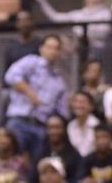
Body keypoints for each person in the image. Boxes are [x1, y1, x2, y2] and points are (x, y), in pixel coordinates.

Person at [5, 35, 70, 163]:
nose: (52, 51)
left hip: (41, 127)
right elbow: (11, 76)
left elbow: (62, 112)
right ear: (41, 49)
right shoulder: (31, 62)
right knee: (14, 161)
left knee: (38, 164)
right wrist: (30, 93)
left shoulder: (59, 81)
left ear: (59, 53)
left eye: (56, 48)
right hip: (20, 121)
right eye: (49, 47)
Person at [32, 0, 111, 60]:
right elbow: (55, 17)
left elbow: (103, 34)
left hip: (97, 53)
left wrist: (80, 34)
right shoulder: (79, 14)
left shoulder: (105, 14)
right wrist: (41, 0)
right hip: (78, 53)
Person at [31, 115, 81, 183]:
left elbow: (77, 180)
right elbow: (32, 179)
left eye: (57, 127)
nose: (53, 131)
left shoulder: (73, 155)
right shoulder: (40, 153)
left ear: (64, 129)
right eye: (50, 128)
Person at [67, 91, 100, 158]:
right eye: (76, 101)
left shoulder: (97, 125)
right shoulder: (70, 126)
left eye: (82, 102)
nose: (78, 105)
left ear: (91, 106)